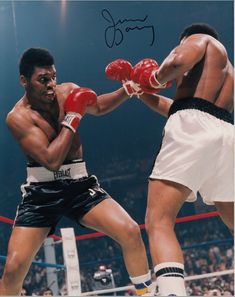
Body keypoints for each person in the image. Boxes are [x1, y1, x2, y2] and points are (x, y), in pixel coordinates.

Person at [0, 48, 153, 296]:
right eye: (43, 79)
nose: (51, 85)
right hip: (42, 193)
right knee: (13, 268)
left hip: (79, 184)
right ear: (24, 81)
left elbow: (99, 106)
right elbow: (51, 159)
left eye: (53, 77)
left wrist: (129, 89)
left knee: (130, 231)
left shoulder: (67, 90)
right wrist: (72, 117)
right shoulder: (17, 117)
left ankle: (147, 293)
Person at [105, 23, 234, 296]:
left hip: (194, 129)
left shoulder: (201, 39)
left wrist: (154, 78)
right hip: (226, 134)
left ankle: (172, 292)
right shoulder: (224, 74)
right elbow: (177, 108)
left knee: (159, 220)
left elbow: (176, 61)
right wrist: (141, 90)